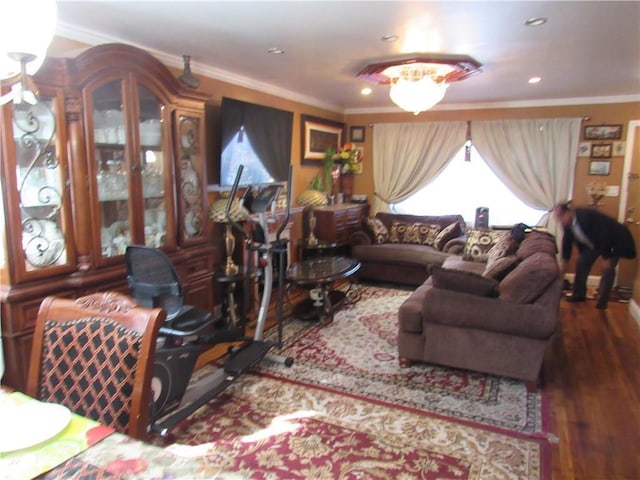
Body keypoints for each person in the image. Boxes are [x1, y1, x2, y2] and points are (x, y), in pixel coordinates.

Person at [553, 202, 636, 309]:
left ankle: (603, 301)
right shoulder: (566, 224)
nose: (560, 221)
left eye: (560, 217)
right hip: (593, 244)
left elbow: (604, 234)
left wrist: (607, 258)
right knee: (581, 262)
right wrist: (564, 261)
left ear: (568, 212)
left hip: (613, 242)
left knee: (607, 269)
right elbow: (567, 242)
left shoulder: (586, 216)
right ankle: (579, 295)